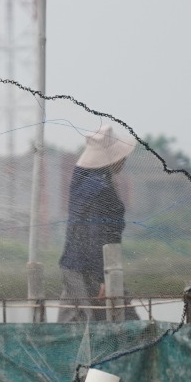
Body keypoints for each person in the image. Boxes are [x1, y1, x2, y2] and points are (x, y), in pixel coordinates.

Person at [58, 123, 137, 323]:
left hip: (77, 264)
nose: (124, 159)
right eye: (121, 156)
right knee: (86, 323)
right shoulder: (100, 188)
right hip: (88, 269)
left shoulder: (85, 179)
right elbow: (96, 235)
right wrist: (103, 277)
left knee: (77, 322)